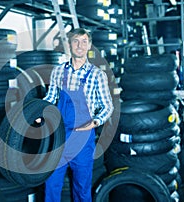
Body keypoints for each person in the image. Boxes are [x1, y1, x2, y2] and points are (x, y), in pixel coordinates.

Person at [43, 28, 114, 201]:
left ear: (89, 45)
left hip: (82, 138)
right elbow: (51, 97)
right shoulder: (58, 72)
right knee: (51, 185)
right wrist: (38, 112)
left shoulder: (97, 75)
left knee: (82, 188)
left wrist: (94, 123)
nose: (79, 45)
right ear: (69, 44)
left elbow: (107, 106)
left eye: (84, 41)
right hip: (59, 137)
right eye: (75, 41)